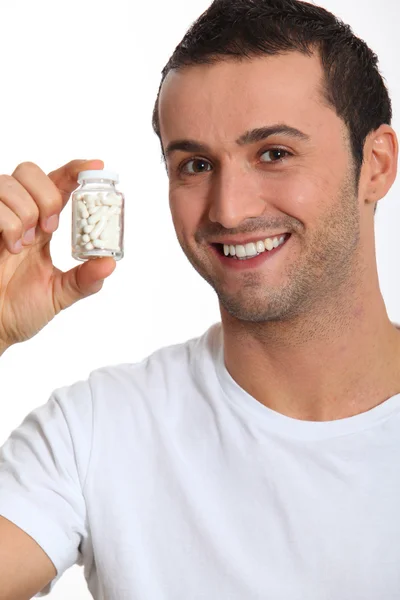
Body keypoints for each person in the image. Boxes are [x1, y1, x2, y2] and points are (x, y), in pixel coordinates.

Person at [0, 0, 399, 597]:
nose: (229, 209)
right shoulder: (97, 432)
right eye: (195, 164)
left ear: (375, 165)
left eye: (274, 153)